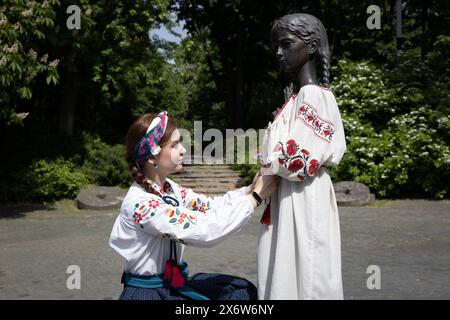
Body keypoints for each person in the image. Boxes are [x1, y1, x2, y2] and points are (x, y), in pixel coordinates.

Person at [109, 111, 279, 300]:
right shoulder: (141, 204)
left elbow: (209, 207)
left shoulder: (169, 189)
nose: (182, 149)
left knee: (240, 291)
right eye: (174, 145)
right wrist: (255, 197)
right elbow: (206, 230)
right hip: (147, 294)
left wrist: (248, 190)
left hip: (172, 285)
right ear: (151, 157)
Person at [256, 13, 347, 300]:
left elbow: (300, 161)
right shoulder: (300, 97)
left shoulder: (313, 95)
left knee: (303, 274)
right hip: (289, 196)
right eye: (276, 48)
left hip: (302, 197)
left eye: (286, 44)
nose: (279, 53)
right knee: (289, 270)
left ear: (311, 46)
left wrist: (266, 163)